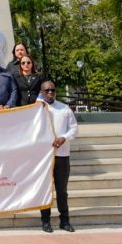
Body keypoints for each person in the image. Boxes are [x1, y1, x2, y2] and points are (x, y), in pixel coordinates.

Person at [39, 81, 78, 233]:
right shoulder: (36, 110)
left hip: (62, 156)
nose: (50, 93)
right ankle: (45, 221)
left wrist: (64, 138)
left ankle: (65, 221)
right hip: (44, 157)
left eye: (53, 90)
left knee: (62, 191)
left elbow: (74, 128)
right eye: (47, 90)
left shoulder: (64, 108)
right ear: (41, 92)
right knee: (46, 191)